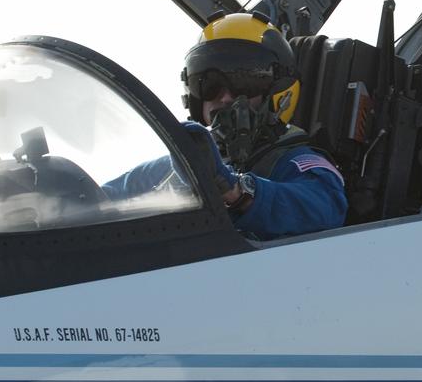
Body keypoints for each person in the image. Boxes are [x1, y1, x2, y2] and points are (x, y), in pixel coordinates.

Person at [104, 12, 347, 238]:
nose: (225, 98)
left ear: (279, 92)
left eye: (245, 83)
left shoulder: (296, 162)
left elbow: (327, 208)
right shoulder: (179, 165)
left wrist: (237, 192)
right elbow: (103, 200)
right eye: (209, 84)